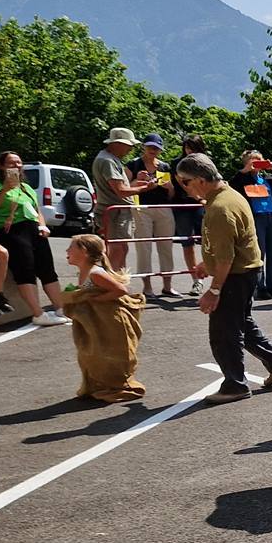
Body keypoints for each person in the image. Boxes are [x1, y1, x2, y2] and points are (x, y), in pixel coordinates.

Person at [175, 154, 272, 404]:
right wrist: (205, 264)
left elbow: (226, 257)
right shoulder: (227, 196)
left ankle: (235, 384)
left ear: (200, 180)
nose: (182, 187)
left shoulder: (221, 207)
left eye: (185, 182)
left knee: (224, 332)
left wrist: (214, 290)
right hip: (245, 272)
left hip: (235, 275)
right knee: (240, 323)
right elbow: (229, 246)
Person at [0, 151, 68, 325]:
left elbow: (37, 210)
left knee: (47, 269)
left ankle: (60, 308)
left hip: (32, 229)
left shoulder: (26, 187)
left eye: (19, 163)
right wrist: (5, 189)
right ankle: (38, 314)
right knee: (25, 269)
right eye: (11, 163)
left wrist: (42, 225)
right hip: (9, 231)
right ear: (2, 166)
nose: (16, 166)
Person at [62, 233, 145, 403]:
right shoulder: (85, 272)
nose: (67, 250)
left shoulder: (95, 273)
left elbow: (121, 290)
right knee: (93, 353)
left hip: (111, 322)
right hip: (97, 322)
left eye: (71, 247)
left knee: (110, 355)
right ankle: (98, 385)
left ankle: (119, 386)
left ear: (83, 251)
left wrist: (94, 299)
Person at [91, 127, 155, 270]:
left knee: (120, 248)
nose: (131, 149)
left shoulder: (110, 159)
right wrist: (145, 188)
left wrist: (136, 183)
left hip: (117, 211)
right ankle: (110, 284)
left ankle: (115, 282)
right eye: (129, 145)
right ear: (118, 144)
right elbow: (121, 191)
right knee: (117, 249)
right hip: (115, 213)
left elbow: (120, 187)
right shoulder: (108, 161)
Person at [127, 133, 179, 297]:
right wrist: (138, 182)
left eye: (156, 148)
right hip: (141, 208)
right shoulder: (133, 165)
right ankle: (147, 287)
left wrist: (169, 187)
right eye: (150, 147)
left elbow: (171, 194)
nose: (153, 150)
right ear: (143, 146)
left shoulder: (164, 167)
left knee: (166, 247)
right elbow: (125, 188)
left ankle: (167, 286)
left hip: (163, 208)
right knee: (144, 248)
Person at [230, 150, 272, 299]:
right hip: (256, 218)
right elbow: (232, 186)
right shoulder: (243, 179)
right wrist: (245, 170)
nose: (257, 164)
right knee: (259, 253)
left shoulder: (268, 178)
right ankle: (259, 287)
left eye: (259, 161)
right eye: (253, 161)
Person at [171, 135, 210, 295]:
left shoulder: (206, 163)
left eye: (193, 148)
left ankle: (215, 277)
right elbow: (184, 185)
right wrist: (199, 198)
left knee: (209, 241)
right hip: (183, 205)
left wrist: (204, 200)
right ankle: (197, 281)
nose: (189, 151)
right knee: (188, 243)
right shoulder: (177, 164)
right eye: (187, 147)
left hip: (201, 205)